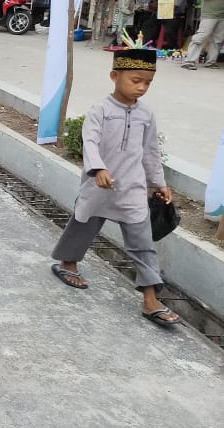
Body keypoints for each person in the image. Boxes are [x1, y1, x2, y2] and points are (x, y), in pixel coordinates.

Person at [50, 47, 180, 325]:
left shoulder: (146, 115)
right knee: (82, 225)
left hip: (132, 189)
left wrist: (159, 183)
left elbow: (150, 152)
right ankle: (68, 263)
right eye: (136, 80)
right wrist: (97, 168)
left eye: (148, 82)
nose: (142, 87)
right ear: (114, 75)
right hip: (99, 186)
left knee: (142, 242)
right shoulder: (101, 110)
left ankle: (150, 298)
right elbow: (91, 140)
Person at [181, 0, 224, 69]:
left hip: (222, 15)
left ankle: (211, 62)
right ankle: (189, 61)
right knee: (202, 36)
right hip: (209, 14)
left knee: (218, 40)